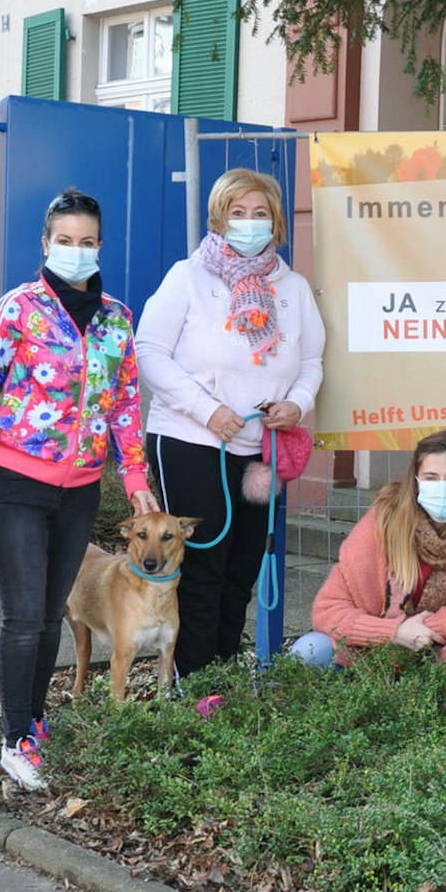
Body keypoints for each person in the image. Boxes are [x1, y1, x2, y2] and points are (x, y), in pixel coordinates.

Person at [0, 188, 162, 790]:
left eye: (88, 242)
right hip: (14, 484)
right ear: (46, 244)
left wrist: (135, 477)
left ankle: (36, 723)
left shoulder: (116, 317)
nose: (77, 252)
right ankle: (16, 739)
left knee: (53, 613)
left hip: (78, 490)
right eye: (65, 241)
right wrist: (1, 446)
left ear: (100, 245)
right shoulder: (19, 307)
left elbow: (126, 401)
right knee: (25, 616)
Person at [137, 168, 325, 676]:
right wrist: (208, 411)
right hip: (192, 441)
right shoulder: (188, 277)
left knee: (242, 571)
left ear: (276, 222)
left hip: (261, 451)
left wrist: (298, 405)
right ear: (219, 219)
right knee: (203, 570)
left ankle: (224, 682)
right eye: (237, 214)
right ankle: (196, 688)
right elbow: (149, 352)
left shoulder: (294, 288)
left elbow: (311, 363)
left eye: (259, 214)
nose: (248, 223)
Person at [290, 429, 446, 671]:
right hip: (376, 649)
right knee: (308, 652)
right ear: (416, 482)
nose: (441, 488)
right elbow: (328, 610)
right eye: (431, 477)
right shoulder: (383, 521)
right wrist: (394, 631)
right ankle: (356, 703)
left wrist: (425, 629)